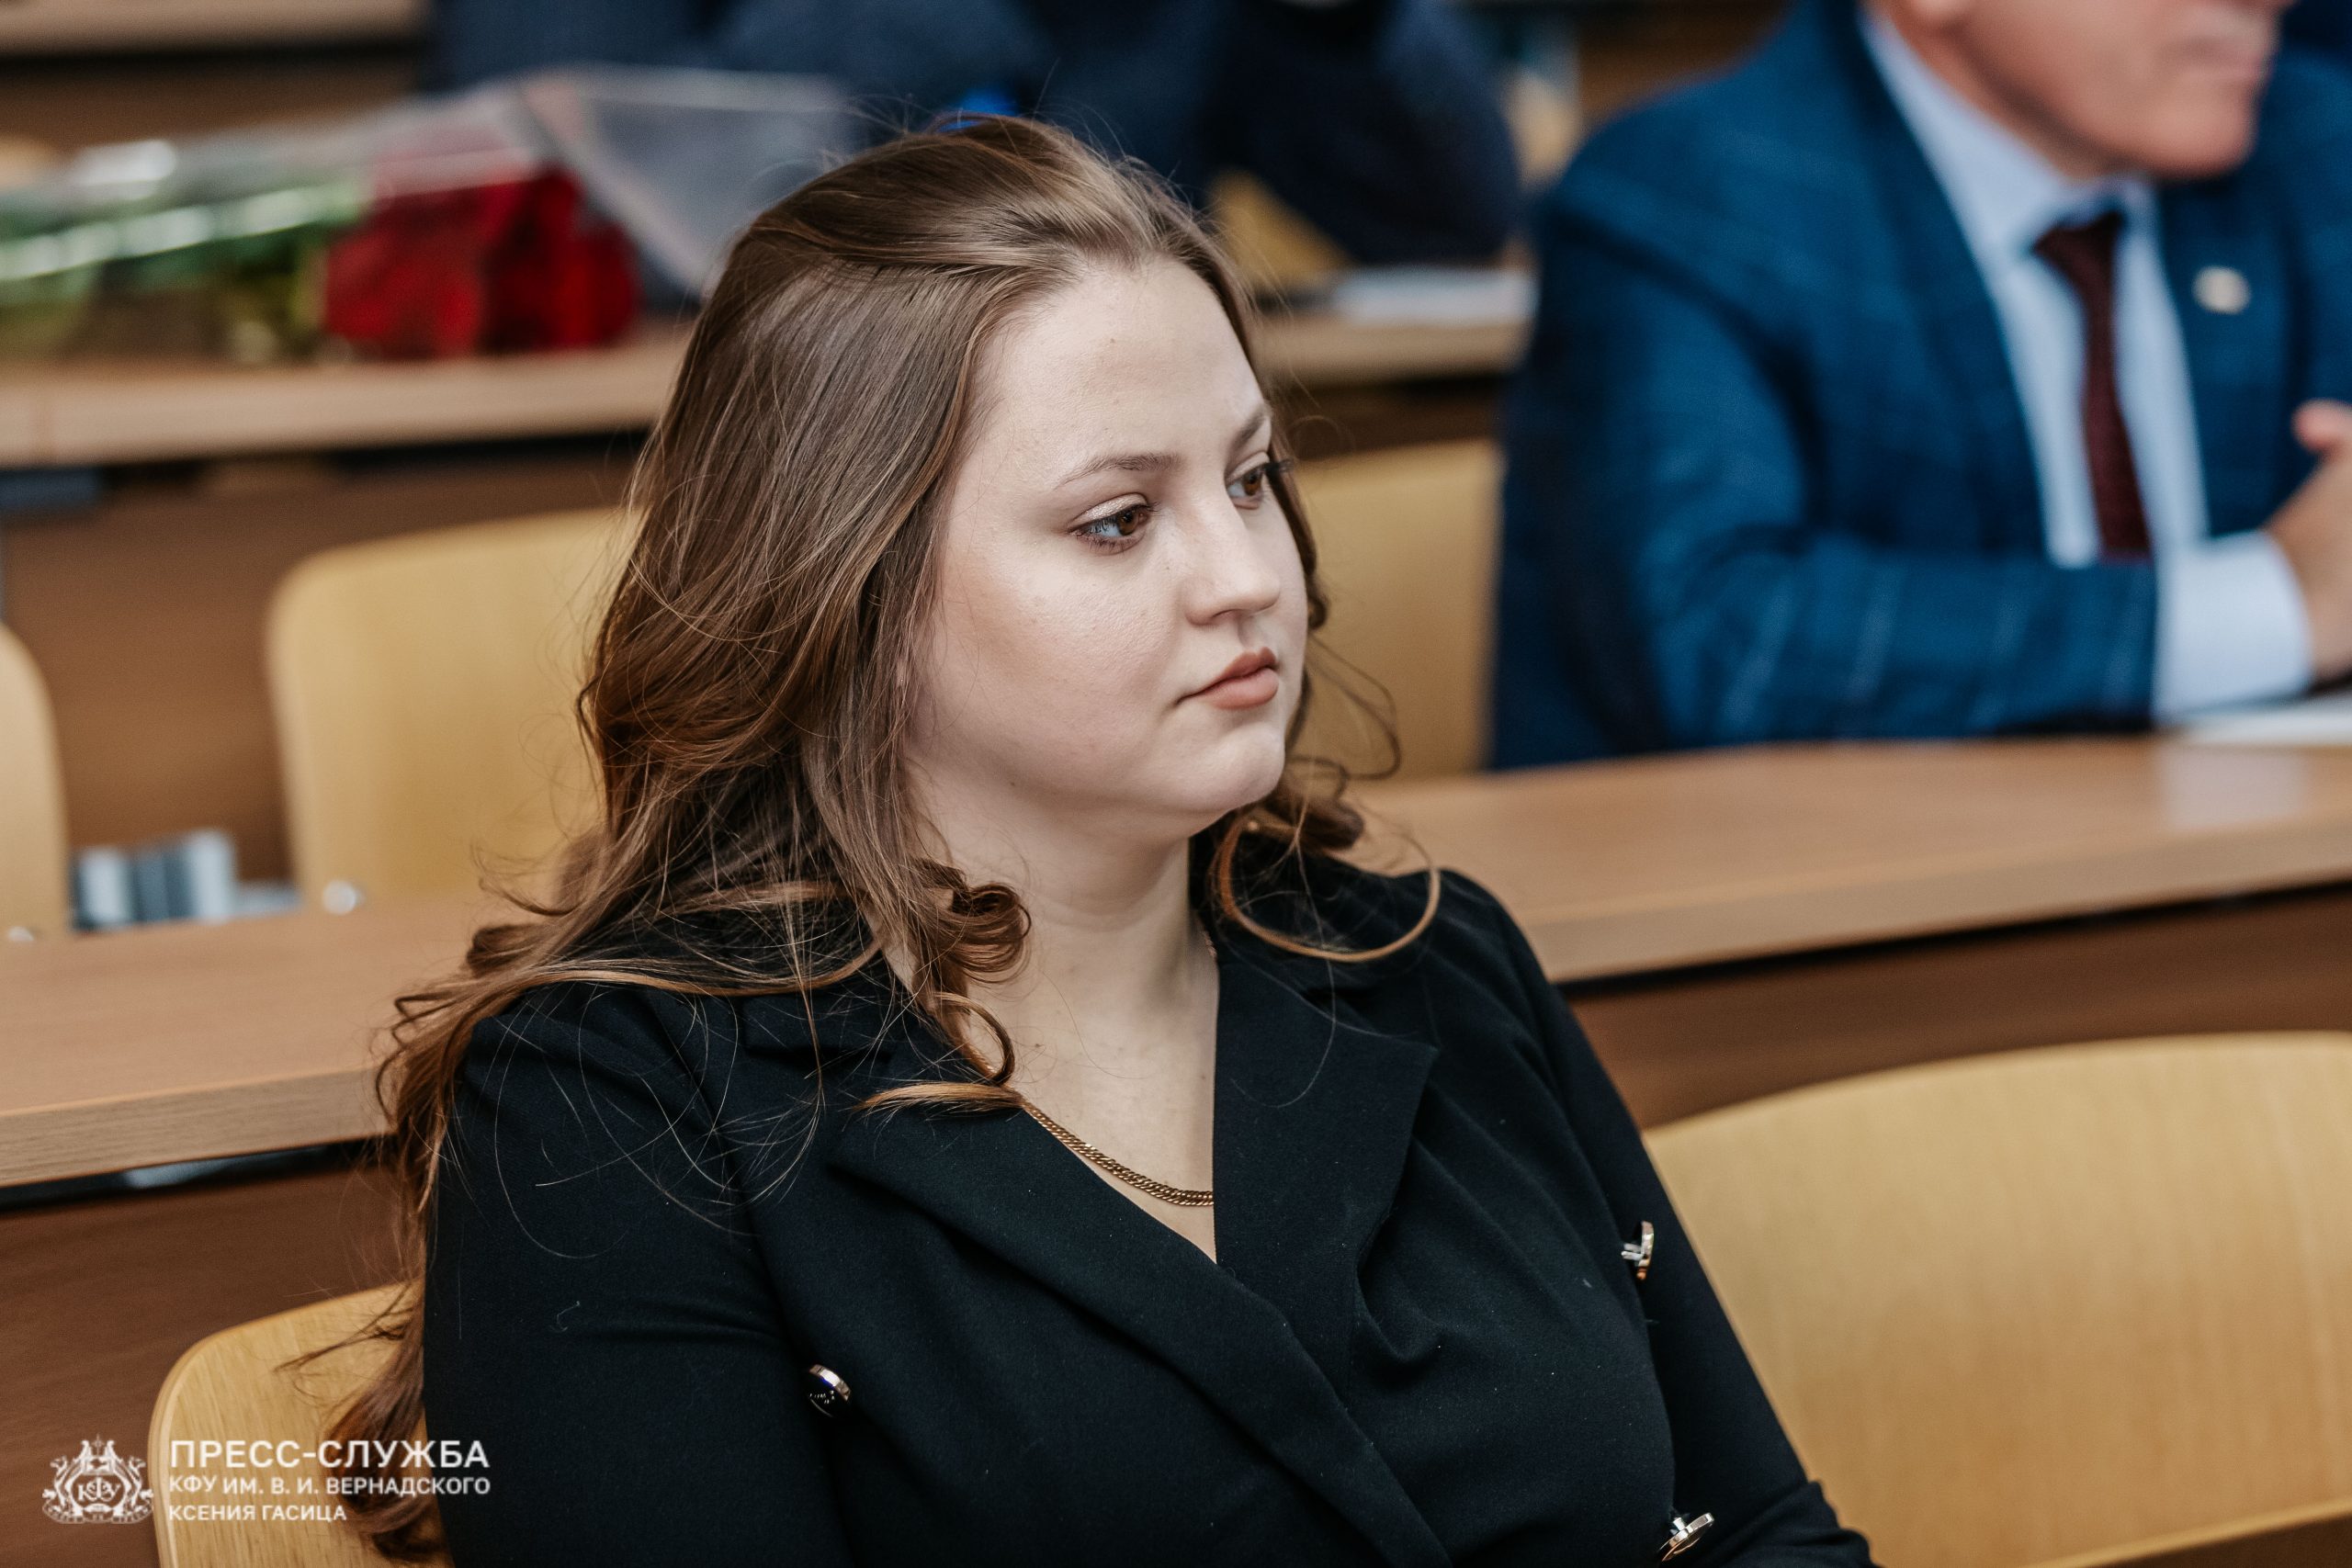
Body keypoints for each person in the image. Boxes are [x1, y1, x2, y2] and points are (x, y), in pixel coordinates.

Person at [322, 118, 1877, 1565]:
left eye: (1251, 478)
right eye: (1118, 519)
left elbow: (1755, 1532)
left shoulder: (1433, 954)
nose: (1246, 574)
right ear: (853, 594)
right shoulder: (609, 1102)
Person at [1490, 0, 2352, 766]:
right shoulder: (1686, 193)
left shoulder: (2313, 143)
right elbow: (1724, 639)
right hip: (1810, 883)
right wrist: (2275, 606)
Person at [426, 0, 1520, 265]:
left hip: (1133, 466)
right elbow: (526, 190)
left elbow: (1450, 218)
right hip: (729, 487)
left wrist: (1338, 17)